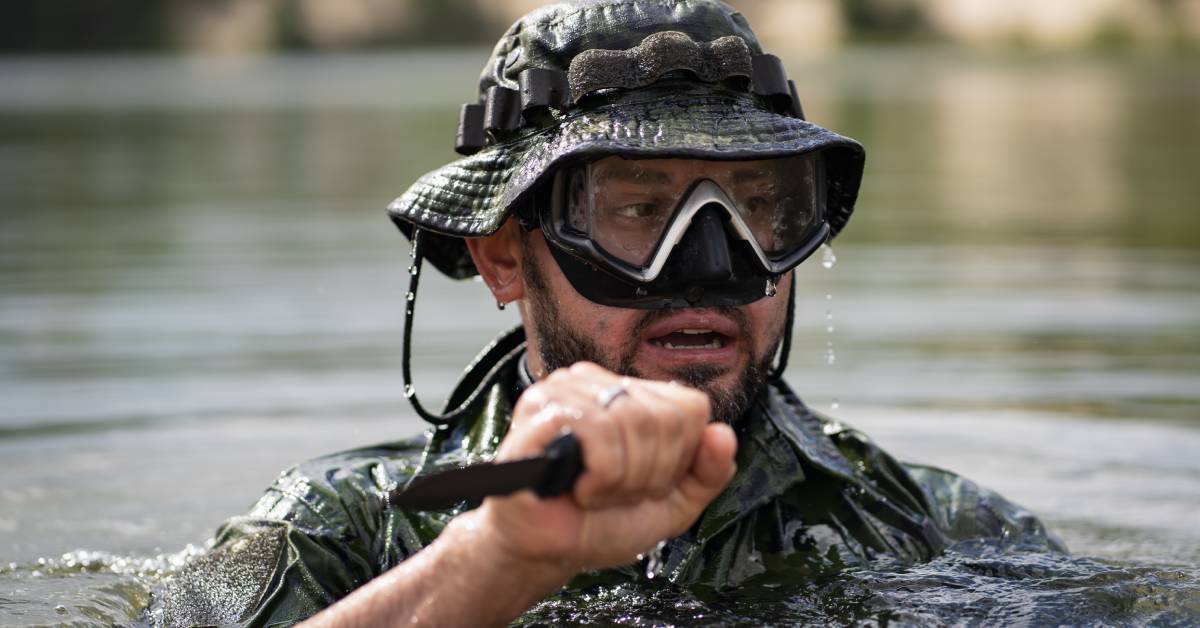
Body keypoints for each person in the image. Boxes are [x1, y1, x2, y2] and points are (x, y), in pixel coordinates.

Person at [145, 1, 1063, 625]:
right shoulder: (337, 535)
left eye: (757, 208)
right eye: (636, 209)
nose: (711, 267)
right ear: (502, 254)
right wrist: (494, 562)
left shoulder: (939, 530)